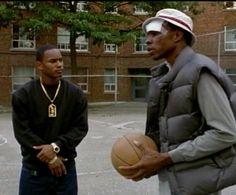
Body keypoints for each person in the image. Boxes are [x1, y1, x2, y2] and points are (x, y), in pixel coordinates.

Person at [120, 8, 236, 195]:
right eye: (147, 35)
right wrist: (151, 155)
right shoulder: (164, 75)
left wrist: (166, 158)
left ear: (177, 35)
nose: (147, 40)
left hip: (198, 183)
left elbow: (225, 133)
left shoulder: (200, 72)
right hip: (174, 179)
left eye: (155, 33)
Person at [12, 44, 88, 195]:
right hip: (34, 172)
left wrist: (55, 147)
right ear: (39, 65)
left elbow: (80, 128)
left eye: (60, 60)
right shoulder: (23, 94)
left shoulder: (75, 94)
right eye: (52, 61)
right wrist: (51, 159)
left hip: (65, 170)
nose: (59, 65)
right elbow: (23, 133)